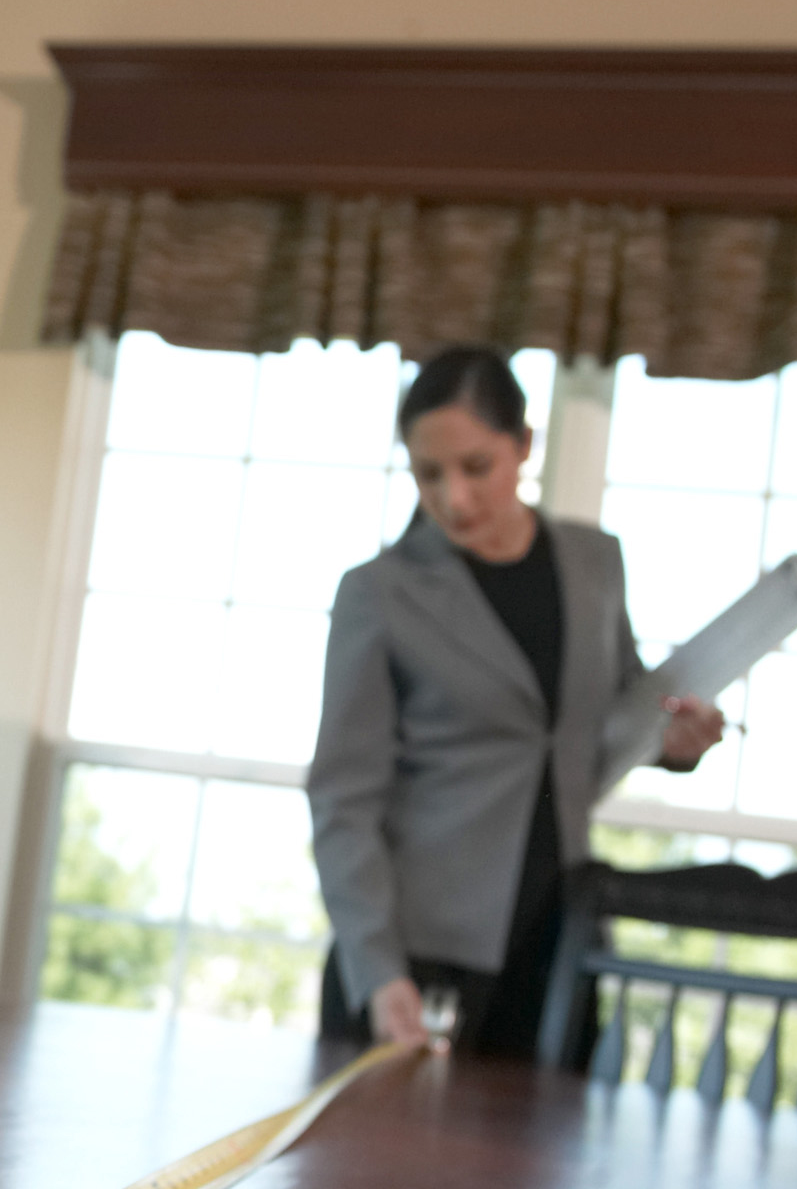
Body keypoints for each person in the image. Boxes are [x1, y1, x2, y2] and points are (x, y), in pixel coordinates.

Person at [308, 345, 721, 1055]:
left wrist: (675, 739)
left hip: (559, 940)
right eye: (427, 474)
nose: (453, 498)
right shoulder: (379, 593)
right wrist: (377, 972)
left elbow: (618, 705)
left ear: (524, 445)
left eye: (475, 468)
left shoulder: (596, 564)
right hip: (416, 958)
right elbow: (344, 798)